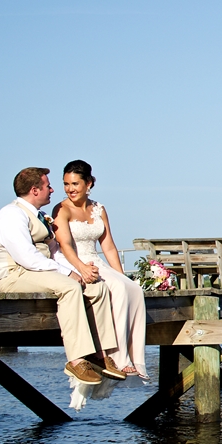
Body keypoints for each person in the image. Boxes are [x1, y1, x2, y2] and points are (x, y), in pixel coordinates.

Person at [0, 167, 123, 388]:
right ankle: (76, 359)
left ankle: (99, 354)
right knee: (70, 288)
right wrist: (68, 274)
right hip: (14, 274)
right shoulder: (11, 214)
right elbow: (27, 257)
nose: (52, 189)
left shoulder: (37, 215)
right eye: (47, 185)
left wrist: (80, 271)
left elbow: (54, 252)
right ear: (34, 190)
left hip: (37, 271)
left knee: (96, 287)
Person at [52, 160, 147, 385]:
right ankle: (115, 355)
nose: (70, 189)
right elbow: (64, 244)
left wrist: (121, 274)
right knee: (118, 290)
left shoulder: (99, 209)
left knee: (132, 289)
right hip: (74, 262)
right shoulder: (61, 209)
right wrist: (81, 268)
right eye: (66, 184)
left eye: (75, 183)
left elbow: (109, 247)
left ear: (89, 183)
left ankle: (134, 357)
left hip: (96, 261)